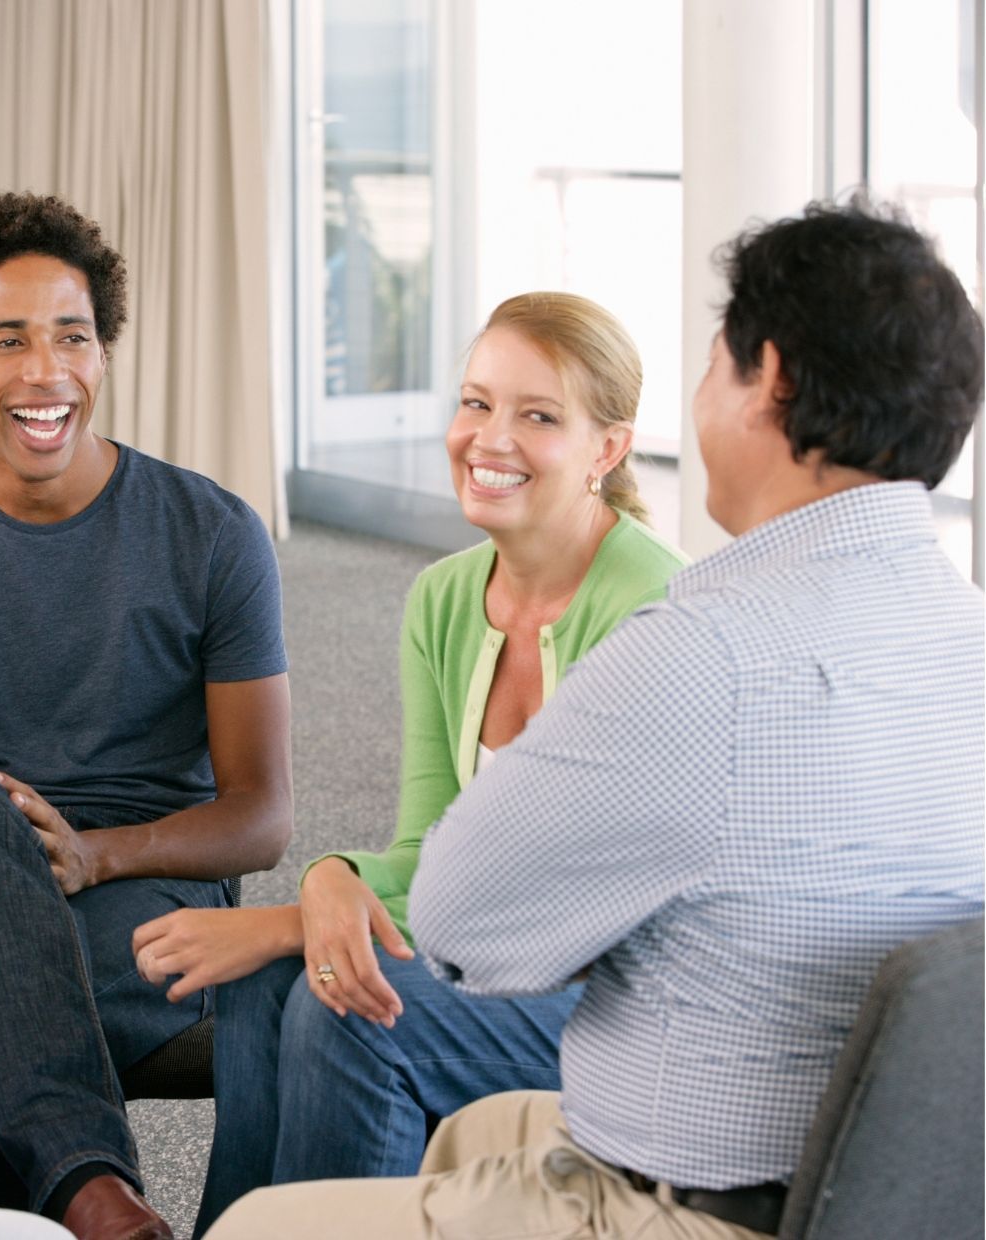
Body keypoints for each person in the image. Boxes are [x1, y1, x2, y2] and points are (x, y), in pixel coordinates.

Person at [204, 200, 985, 1239]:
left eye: (711, 366)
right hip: (885, 1183)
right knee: (453, 1138)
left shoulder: (697, 647)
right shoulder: (960, 629)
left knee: (261, 1226)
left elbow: (454, 918)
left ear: (768, 381)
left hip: (692, 1201)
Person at [132, 293, 687, 1233]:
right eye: (476, 403)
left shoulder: (652, 607)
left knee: (346, 1008)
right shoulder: (442, 599)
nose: (489, 438)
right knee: (278, 986)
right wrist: (334, 881)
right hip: (506, 952)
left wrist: (291, 918)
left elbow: (573, 898)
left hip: (636, 992)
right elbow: (435, 845)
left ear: (607, 450)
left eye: (538, 416)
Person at [0, 191, 294, 1240]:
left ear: (102, 353)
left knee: (29, 987)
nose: (45, 371)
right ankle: (92, 1190)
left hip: (143, 889)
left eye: (71, 337)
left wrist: (94, 854)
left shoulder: (212, 534)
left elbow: (259, 816)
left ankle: (79, 1199)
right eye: (7, 340)